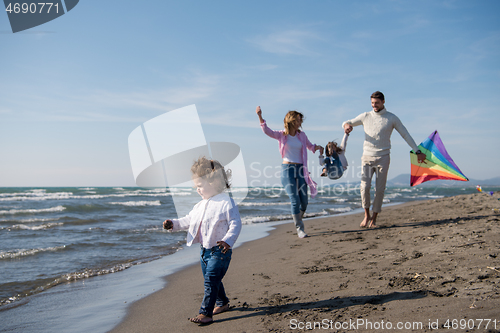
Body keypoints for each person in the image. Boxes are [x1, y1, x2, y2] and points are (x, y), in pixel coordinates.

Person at [162, 157, 241, 325]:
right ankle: (223, 303)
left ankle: (205, 313)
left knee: (211, 280)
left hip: (221, 251)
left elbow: (236, 223)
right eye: (196, 186)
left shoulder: (226, 202)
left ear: (213, 182)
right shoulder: (199, 206)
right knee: (213, 280)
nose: (197, 190)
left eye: (199, 186)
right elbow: (188, 220)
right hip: (205, 251)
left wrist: (228, 240)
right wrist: (173, 224)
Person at [342, 91, 426, 228]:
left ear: (383, 102)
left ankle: (374, 219)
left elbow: (405, 134)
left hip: (383, 158)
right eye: (372, 103)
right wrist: (346, 126)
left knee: (380, 189)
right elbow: (347, 122)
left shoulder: (391, 118)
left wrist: (417, 151)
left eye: (377, 103)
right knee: (364, 187)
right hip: (367, 157)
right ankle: (366, 215)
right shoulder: (365, 116)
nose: (374, 105)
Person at [256, 106, 323, 238]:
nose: (300, 123)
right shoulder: (282, 135)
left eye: (300, 121)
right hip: (287, 170)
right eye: (298, 120)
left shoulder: (302, 136)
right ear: (292, 121)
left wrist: (317, 147)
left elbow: (309, 146)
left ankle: (298, 219)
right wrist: (260, 116)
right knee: (295, 200)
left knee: (304, 201)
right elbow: (267, 131)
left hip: (301, 170)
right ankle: (300, 228)